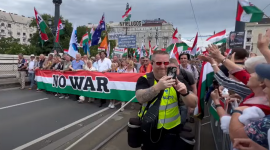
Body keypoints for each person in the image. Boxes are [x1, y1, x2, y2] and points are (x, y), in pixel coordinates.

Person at [136, 50, 198, 150]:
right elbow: (140, 98)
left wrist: (184, 93)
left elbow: (193, 103)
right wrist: (157, 87)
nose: (163, 66)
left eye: (165, 63)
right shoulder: (145, 79)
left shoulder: (177, 80)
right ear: (152, 64)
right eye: (159, 63)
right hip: (149, 127)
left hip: (171, 130)